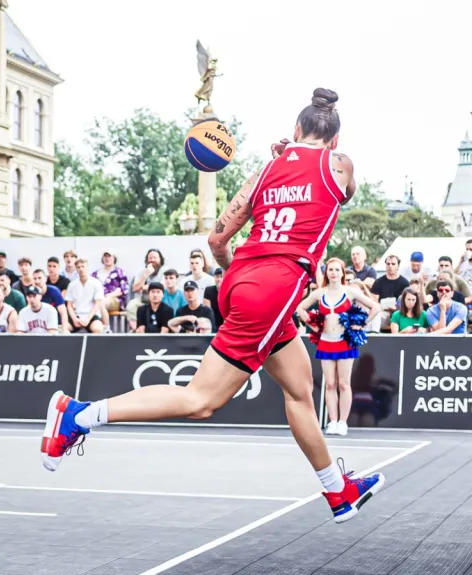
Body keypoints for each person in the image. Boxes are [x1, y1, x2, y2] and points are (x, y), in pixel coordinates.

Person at [41, 89, 384, 524]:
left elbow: (218, 240)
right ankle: (79, 414)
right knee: (201, 400)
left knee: (300, 389)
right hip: (275, 290)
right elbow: (347, 193)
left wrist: (239, 267)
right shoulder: (339, 164)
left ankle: (338, 491)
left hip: (242, 279)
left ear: (295, 131)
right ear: (335, 140)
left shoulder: (264, 173)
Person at [295, 258, 380, 436]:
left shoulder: (349, 291)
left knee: (344, 383)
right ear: (326, 273)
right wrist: (313, 325)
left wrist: (361, 324)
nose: (333, 273)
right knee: (330, 384)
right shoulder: (320, 293)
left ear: (342, 273)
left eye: (337, 270)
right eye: (330, 270)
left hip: (344, 341)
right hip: (326, 341)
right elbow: (300, 309)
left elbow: (375, 307)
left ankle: (343, 422)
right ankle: (332, 421)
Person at [369, 255, 409, 332]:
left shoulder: (404, 283)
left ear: (398, 266)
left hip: (399, 312)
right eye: (388, 264)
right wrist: (382, 307)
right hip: (382, 311)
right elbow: (374, 300)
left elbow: (406, 301)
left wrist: (396, 308)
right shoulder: (378, 282)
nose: (390, 266)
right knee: (374, 318)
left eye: (393, 264)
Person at [66, 258, 105, 334]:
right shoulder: (72, 285)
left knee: (97, 329)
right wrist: (74, 319)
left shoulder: (96, 283)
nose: (81, 269)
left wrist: (87, 319)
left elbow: (97, 304)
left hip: (91, 315)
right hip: (77, 315)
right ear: (76, 269)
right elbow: (69, 305)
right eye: (78, 267)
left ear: (87, 267)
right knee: (63, 329)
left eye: (83, 266)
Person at [203, 267, 224, 331]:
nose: (219, 279)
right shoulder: (208, 290)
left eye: (221, 277)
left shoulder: (230, 291)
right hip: (212, 323)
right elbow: (207, 311)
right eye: (217, 276)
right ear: (214, 277)